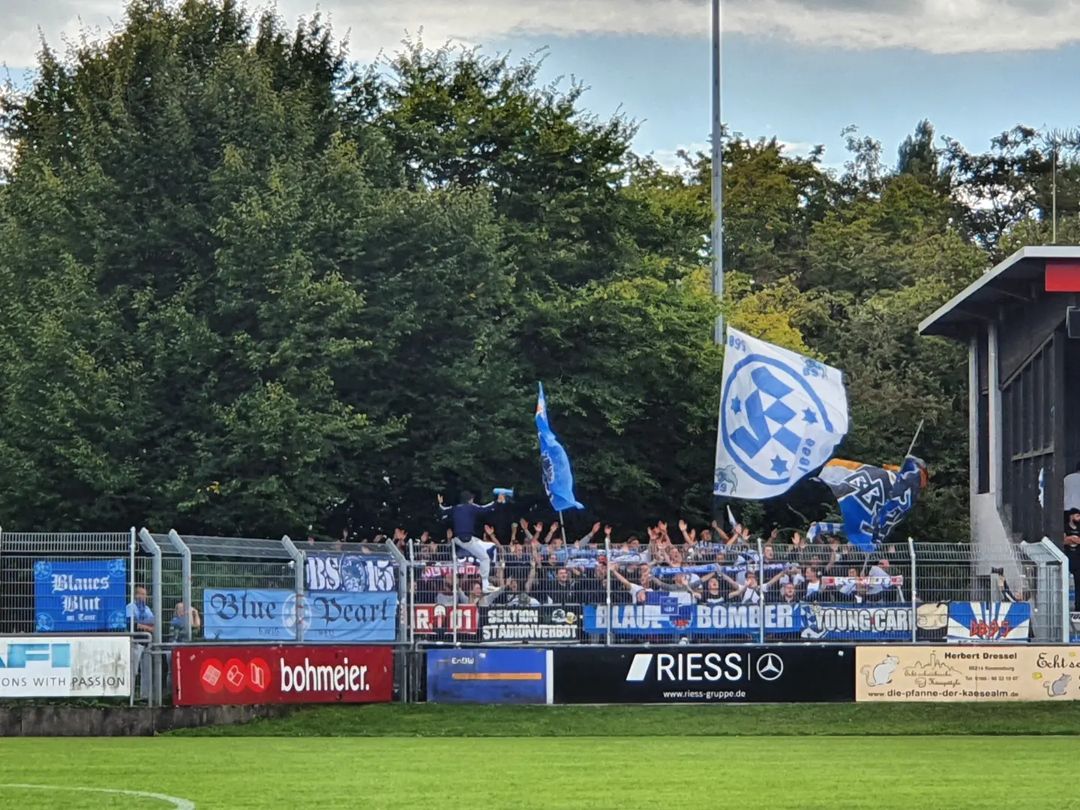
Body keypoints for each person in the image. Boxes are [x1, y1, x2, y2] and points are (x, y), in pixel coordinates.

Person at [438, 490, 507, 592]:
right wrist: (498, 502)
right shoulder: (472, 507)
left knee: (478, 542)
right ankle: (485, 585)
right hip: (466, 539)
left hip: (458, 538)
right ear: (470, 500)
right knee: (485, 558)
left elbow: (443, 510)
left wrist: (440, 503)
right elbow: (486, 509)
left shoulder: (456, 508)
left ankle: (485, 583)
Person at [127, 586, 155, 700]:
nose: (144, 597)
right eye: (142, 594)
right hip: (135, 641)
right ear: (136, 595)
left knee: (147, 671)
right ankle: (131, 695)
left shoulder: (147, 609)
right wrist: (145, 626)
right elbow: (132, 624)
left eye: (145, 594)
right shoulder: (130, 607)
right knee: (133, 670)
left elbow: (153, 626)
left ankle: (145, 696)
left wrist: (142, 625)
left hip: (146, 643)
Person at [1065, 509, 1080, 611]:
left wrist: (1071, 539)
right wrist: (1070, 539)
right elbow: (1063, 540)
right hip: (1067, 558)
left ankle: (1078, 606)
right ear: (1071, 516)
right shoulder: (1065, 527)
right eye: (1077, 516)